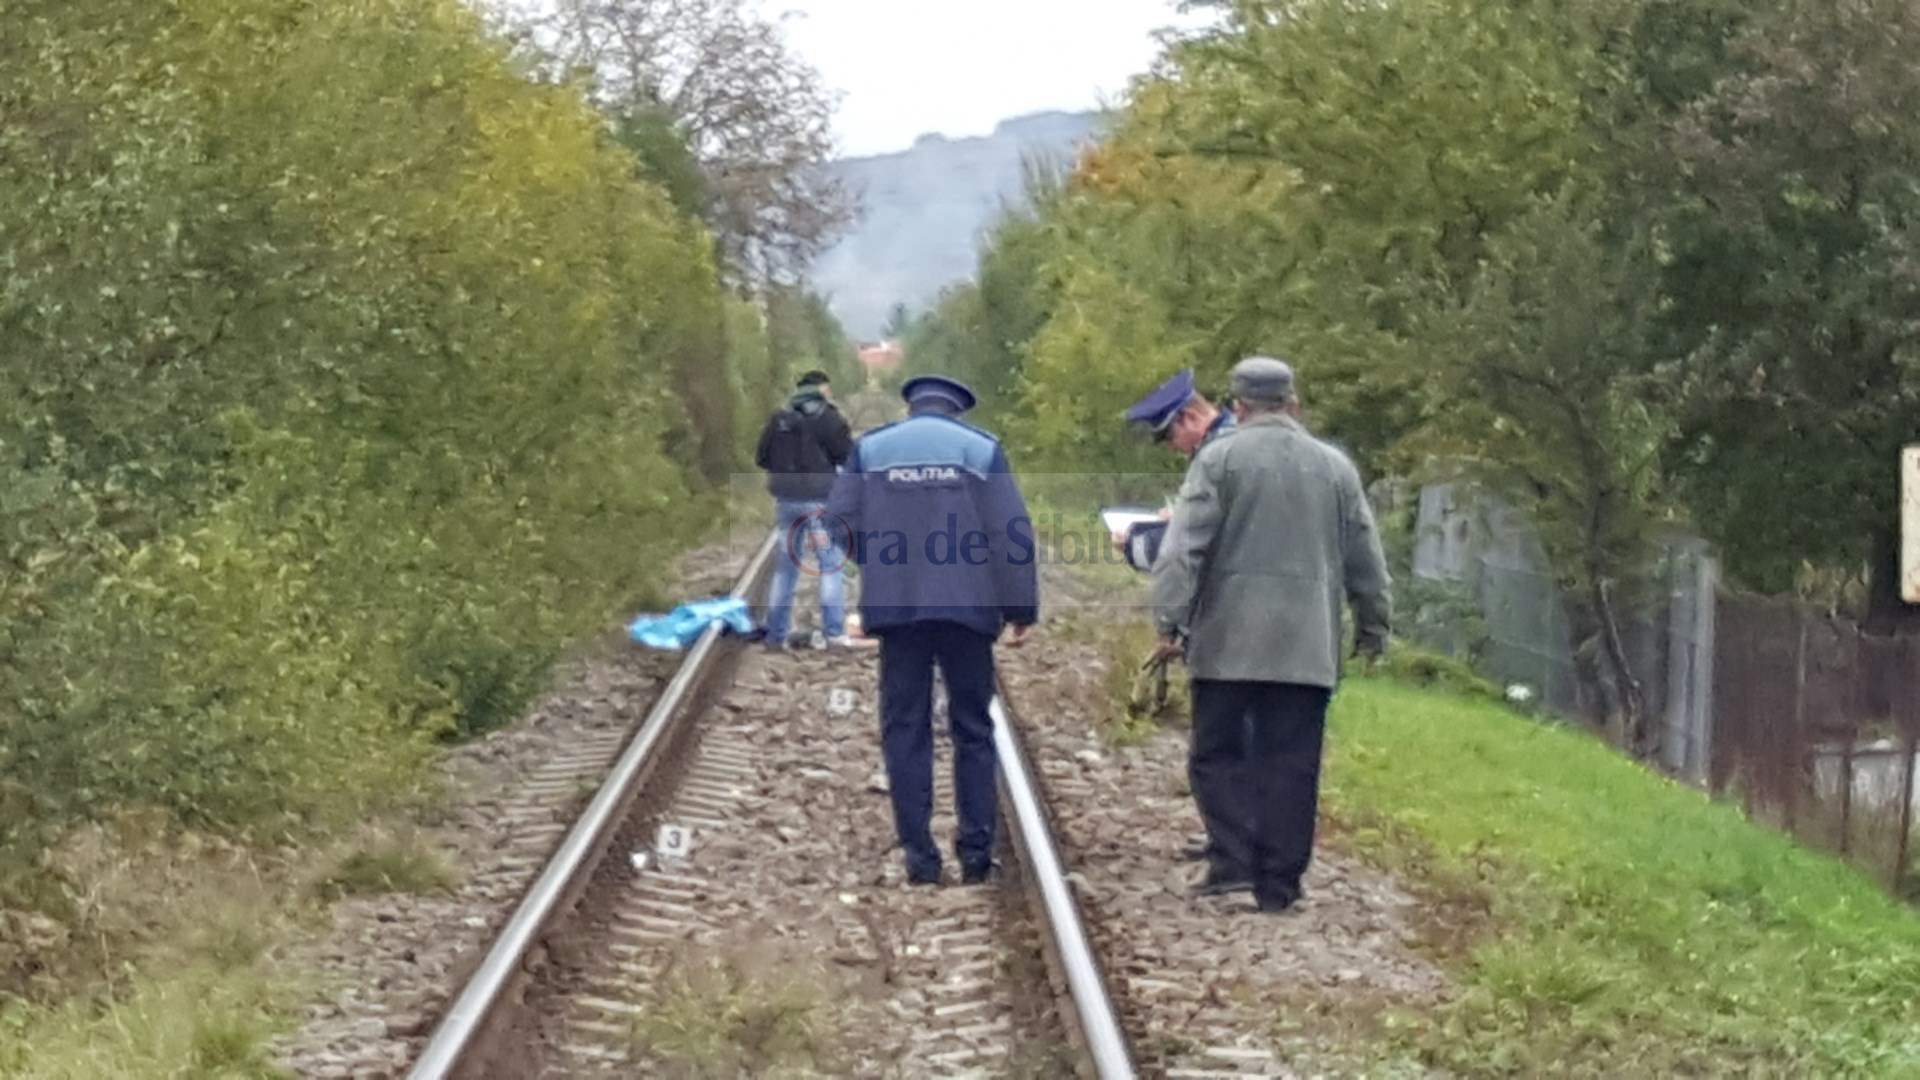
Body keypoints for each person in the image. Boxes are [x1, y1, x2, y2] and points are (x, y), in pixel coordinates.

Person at [1151, 356, 1391, 913]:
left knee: (1216, 755)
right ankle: (1280, 885)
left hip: (1227, 644)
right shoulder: (1335, 468)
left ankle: (1233, 861)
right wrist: (1374, 625)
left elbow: (1183, 550)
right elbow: (1366, 558)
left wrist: (1169, 618)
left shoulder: (1217, 460)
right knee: (1292, 762)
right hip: (1307, 648)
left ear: (1238, 407)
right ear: (1294, 404)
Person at [827, 374, 1039, 885]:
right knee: (972, 727)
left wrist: (877, 562)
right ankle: (975, 854)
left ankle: (920, 858)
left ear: (912, 407)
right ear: (956, 411)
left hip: (898, 611)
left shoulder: (871, 449)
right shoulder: (980, 450)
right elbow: (1010, 532)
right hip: (968, 610)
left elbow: (837, 521)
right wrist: (1021, 608)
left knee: (905, 727)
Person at [755, 369, 857, 649]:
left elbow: (761, 457)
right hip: (821, 502)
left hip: (787, 501)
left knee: (785, 569)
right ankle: (834, 632)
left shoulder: (779, 419)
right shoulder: (828, 417)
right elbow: (847, 456)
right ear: (821, 390)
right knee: (830, 565)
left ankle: (776, 634)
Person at [1115, 369, 1236, 572]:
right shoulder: (1234, 440)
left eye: (1169, 436)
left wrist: (1132, 546)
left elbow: (1201, 545)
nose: (1171, 447)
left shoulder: (1218, 458)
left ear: (1189, 417)